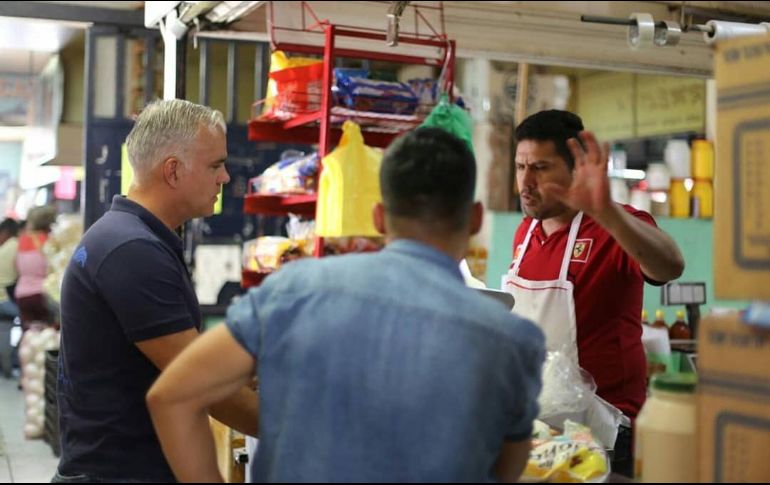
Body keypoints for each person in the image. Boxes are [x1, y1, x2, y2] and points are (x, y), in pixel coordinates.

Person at [147, 127, 546, 483]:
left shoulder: (294, 291)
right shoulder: (511, 341)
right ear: (475, 219)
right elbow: (506, 468)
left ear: (377, 217)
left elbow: (172, 395)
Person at [55, 99, 258, 483]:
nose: (226, 178)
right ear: (173, 171)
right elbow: (203, 385)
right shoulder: (132, 251)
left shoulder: (131, 237)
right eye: (216, 165)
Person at [502, 110, 685, 476]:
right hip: (540, 427)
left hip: (605, 433)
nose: (526, 181)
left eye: (540, 167)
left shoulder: (616, 227)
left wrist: (605, 211)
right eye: (521, 167)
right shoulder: (525, 235)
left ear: (575, 169)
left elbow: (670, 266)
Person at [15, 206, 57, 329]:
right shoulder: (48, 241)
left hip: (22, 295)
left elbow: (17, 267)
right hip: (43, 295)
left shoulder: (21, 240)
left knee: (30, 335)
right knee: (49, 336)